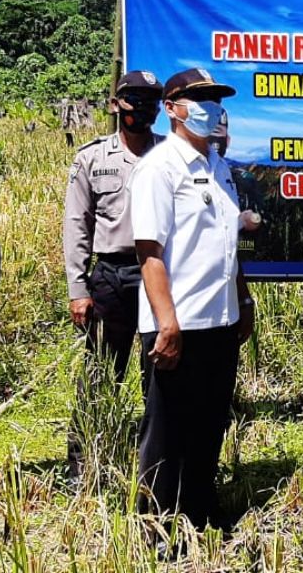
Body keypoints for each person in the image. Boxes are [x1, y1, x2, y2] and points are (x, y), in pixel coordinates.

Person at [131, 68, 254, 534]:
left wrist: (242, 300)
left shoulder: (219, 167)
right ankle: (158, 526)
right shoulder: (159, 169)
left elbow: (227, 244)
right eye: (198, 99)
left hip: (219, 320)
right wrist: (166, 325)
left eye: (215, 99)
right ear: (172, 109)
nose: (210, 108)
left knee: (209, 423)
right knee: (168, 431)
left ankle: (201, 514)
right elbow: (149, 253)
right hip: (177, 324)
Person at [63, 71, 163, 486]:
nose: (140, 108)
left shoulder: (170, 155)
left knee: (158, 371)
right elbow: (76, 225)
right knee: (101, 373)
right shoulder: (92, 158)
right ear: (115, 104)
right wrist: (77, 288)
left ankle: (153, 459)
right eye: (132, 99)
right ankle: (80, 462)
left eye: (149, 100)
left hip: (158, 275)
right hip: (111, 275)